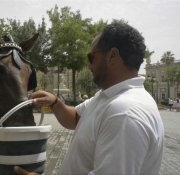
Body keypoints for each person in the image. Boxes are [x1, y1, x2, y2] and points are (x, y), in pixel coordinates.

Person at [15, 20, 164, 175]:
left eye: (91, 57)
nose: (89, 65)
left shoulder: (124, 113)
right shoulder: (108, 96)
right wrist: (55, 102)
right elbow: (75, 118)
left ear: (112, 56)